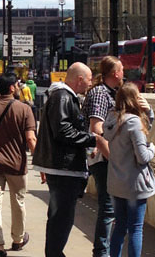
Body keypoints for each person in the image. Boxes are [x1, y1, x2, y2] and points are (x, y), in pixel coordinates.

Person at [32, 62, 109, 257]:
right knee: (62, 217)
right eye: (89, 79)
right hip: (63, 168)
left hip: (62, 166)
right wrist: (93, 139)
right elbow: (63, 131)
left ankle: (54, 253)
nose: (90, 84)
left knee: (59, 216)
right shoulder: (63, 97)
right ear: (80, 79)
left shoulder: (63, 96)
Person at [0, 73, 38, 257]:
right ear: (11, 88)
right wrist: (39, 164)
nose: (18, 86)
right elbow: (31, 139)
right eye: (16, 84)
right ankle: (18, 239)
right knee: (18, 201)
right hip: (16, 164)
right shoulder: (24, 109)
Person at [105, 82, 155, 257]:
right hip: (134, 184)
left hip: (116, 182)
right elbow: (142, 156)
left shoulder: (112, 118)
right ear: (134, 99)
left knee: (120, 226)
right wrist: (153, 149)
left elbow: (142, 130)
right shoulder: (133, 122)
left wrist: (149, 112)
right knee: (136, 228)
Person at [83, 57, 124, 257]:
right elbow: (96, 128)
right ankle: (101, 253)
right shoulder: (100, 93)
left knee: (112, 209)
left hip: (109, 155)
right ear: (115, 73)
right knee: (108, 208)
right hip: (102, 157)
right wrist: (113, 157)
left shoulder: (113, 93)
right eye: (121, 69)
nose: (123, 72)